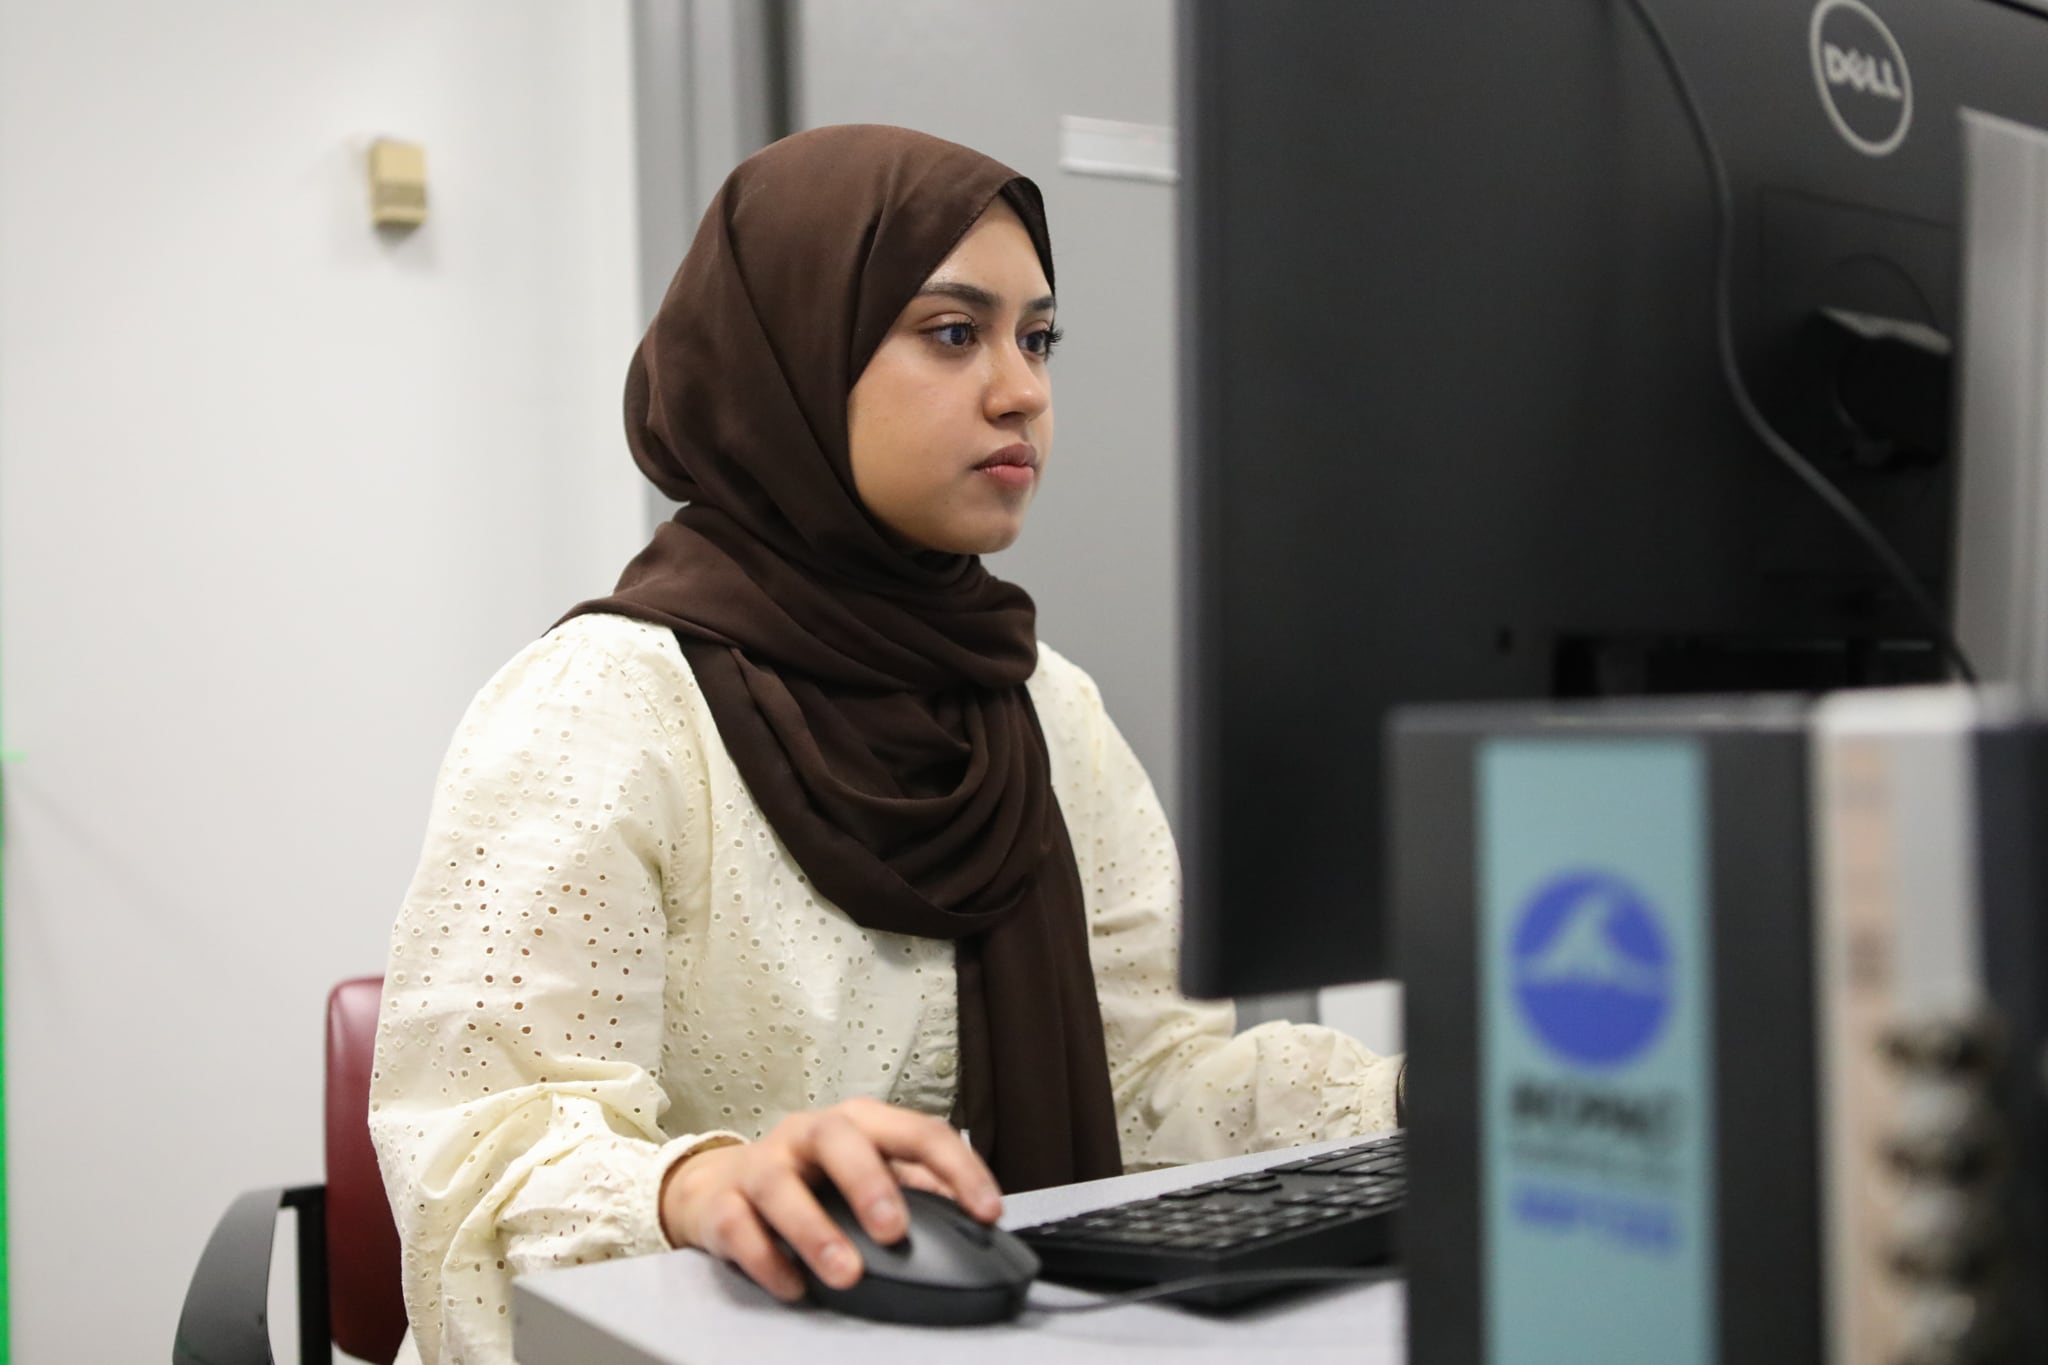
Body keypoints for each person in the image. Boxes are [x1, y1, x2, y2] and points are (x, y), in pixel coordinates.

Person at [369, 124, 1402, 1365]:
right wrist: (699, 1186)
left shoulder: (1040, 707)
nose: (1021, 388)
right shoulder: (603, 707)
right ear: (791, 356)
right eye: (952, 332)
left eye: (1038, 338)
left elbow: (1149, 1086)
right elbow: (488, 1153)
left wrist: (1417, 1099)